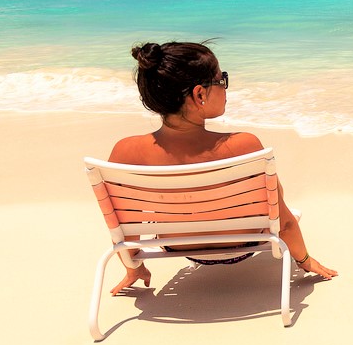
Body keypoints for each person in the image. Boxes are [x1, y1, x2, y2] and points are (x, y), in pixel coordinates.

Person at [107, 41, 338, 296]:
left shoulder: (126, 152)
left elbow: (123, 227)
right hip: (242, 243)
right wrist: (305, 259)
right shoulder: (243, 145)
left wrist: (133, 267)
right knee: (274, 192)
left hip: (176, 246)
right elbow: (284, 222)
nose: (225, 88)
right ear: (200, 94)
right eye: (221, 80)